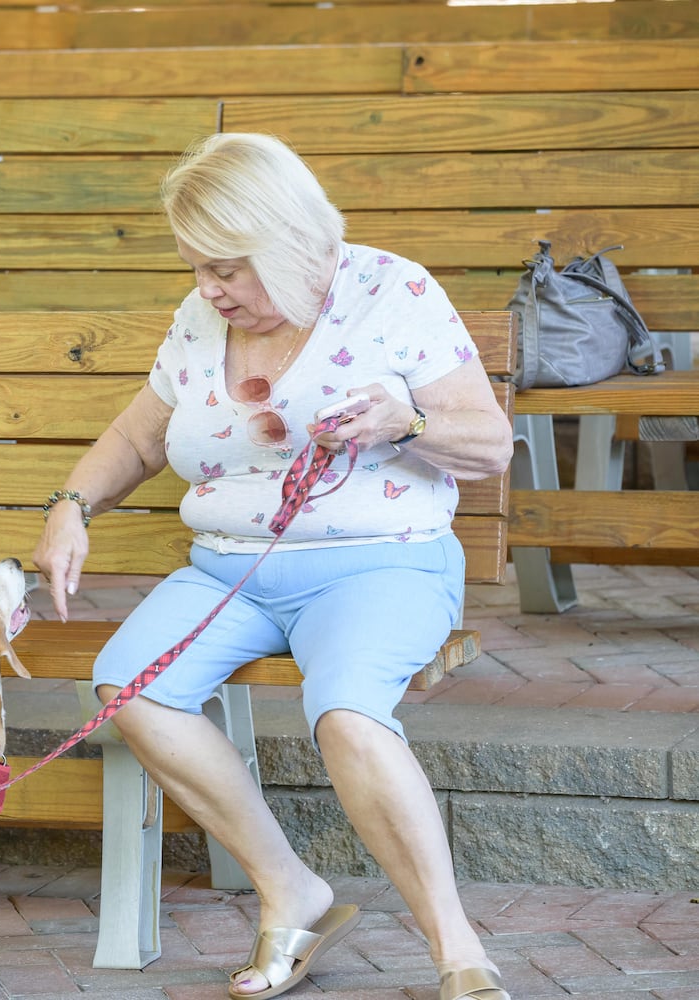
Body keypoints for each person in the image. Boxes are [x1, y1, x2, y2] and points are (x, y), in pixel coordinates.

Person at [32, 133, 514, 1000]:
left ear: (289, 240)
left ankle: (457, 951)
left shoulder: (392, 292)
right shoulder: (201, 316)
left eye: (227, 268)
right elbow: (141, 435)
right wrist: (69, 507)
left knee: (349, 716)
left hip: (380, 563)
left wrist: (404, 422)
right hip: (231, 567)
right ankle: (291, 890)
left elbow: (489, 445)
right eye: (198, 268)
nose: (210, 289)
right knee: (130, 688)